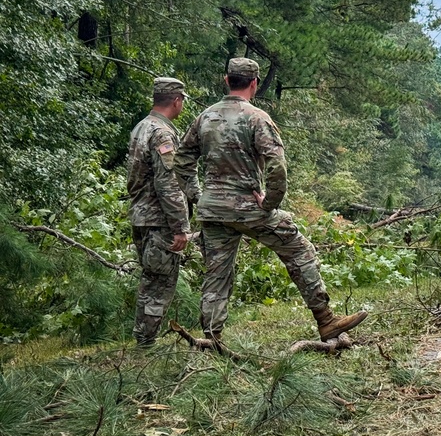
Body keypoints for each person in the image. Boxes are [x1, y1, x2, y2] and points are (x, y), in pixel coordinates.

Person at [175, 57, 366, 343]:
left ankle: (211, 339)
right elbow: (276, 165)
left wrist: (198, 194)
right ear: (254, 83)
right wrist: (269, 203)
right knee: (298, 249)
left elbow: (181, 160)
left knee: (216, 275)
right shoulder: (257, 118)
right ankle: (326, 320)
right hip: (249, 208)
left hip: (213, 210)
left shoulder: (204, 117)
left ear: (226, 80)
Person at [126, 77, 191, 347]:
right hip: (159, 221)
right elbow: (168, 184)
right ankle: (145, 343)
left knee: (151, 280)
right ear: (176, 100)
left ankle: (143, 339)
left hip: (141, 216)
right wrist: (180, 227)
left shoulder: (141, 127)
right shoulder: (162, 133)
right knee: (158, 285)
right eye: (182, 99)